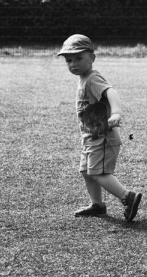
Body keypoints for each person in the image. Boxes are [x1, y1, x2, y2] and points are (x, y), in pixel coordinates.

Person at [57, 34, 142, 221]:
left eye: (79, 58)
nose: (73, 64)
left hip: (103, 138)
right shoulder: (83, 78)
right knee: (86, 172)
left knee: (100, 173)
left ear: (92, 58)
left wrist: (116, 112)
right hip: (91, 137)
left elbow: (111, 92)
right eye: (69, 60)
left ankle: (128, 197)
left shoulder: (92, 78)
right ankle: (98, 205)